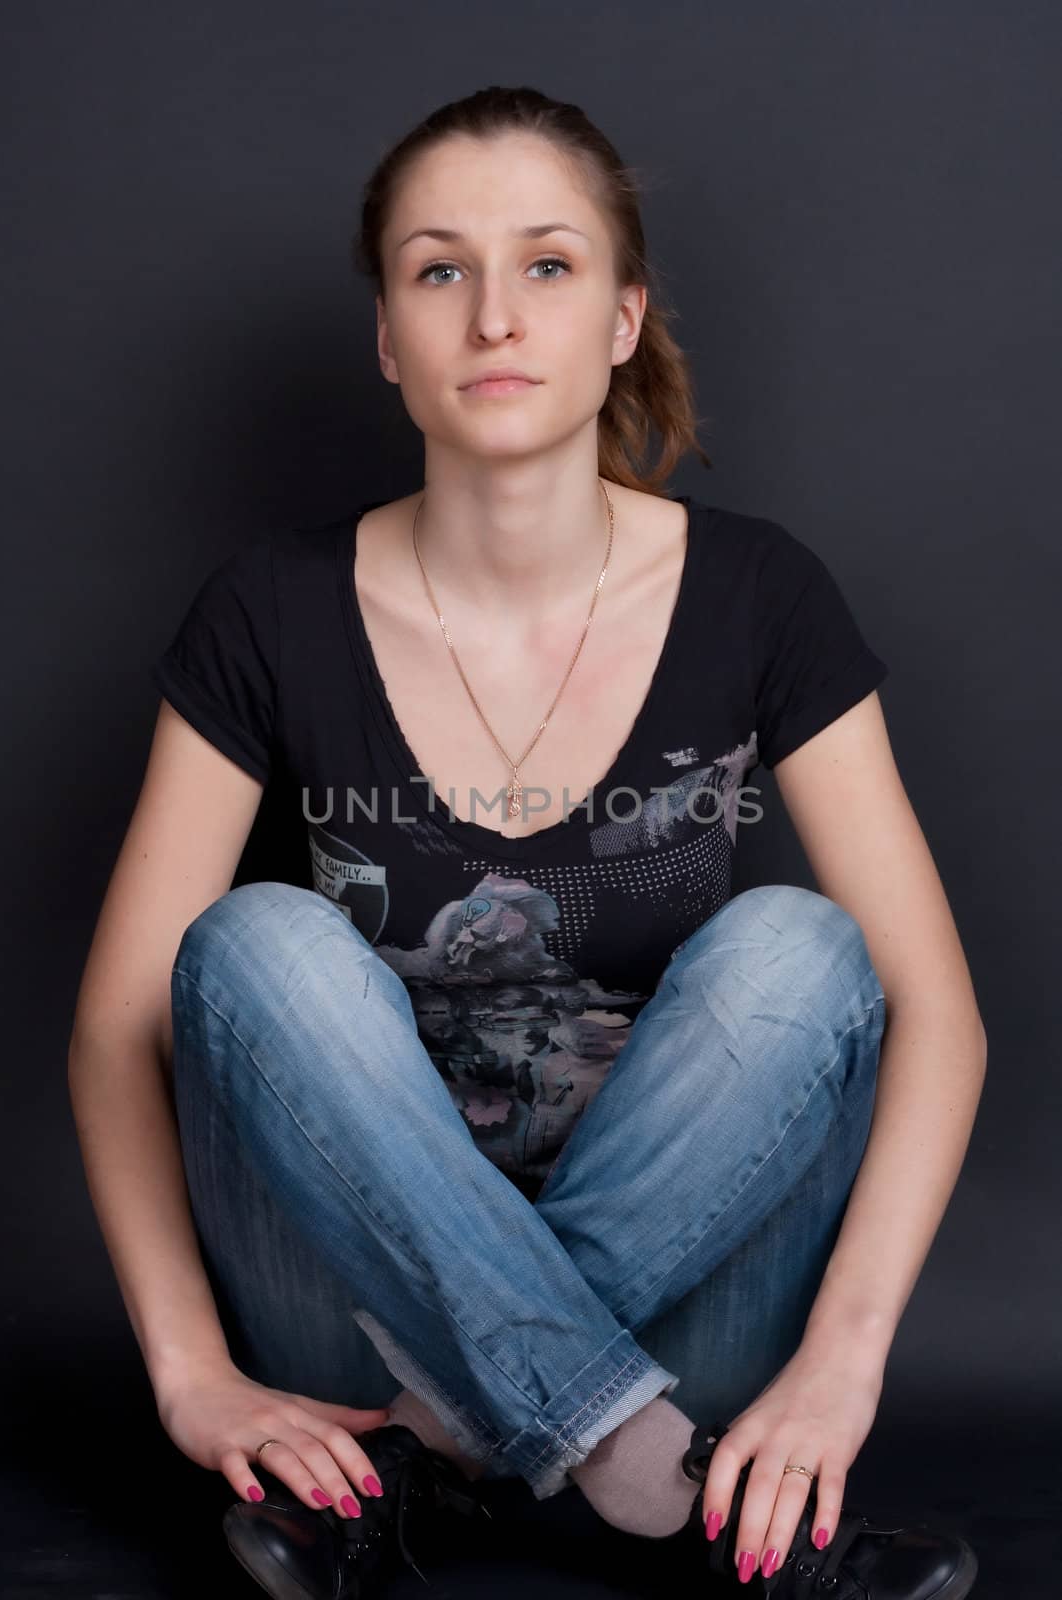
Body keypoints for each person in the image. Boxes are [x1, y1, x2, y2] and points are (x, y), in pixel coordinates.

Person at [67, 84, 986, 1600]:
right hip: (343, 1311)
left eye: (546, 265)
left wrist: (841, 1364)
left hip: (696, 1305)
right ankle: (645, 1476)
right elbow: (117, 1033)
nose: (494, 314)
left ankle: (441, 1454)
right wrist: (187, 1372)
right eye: (440, 269)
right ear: (387, 334)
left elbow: (934, 1015)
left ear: (623, 317)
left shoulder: (759, 594)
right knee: (251, 941)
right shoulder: (267, 610)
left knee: (801, 945)